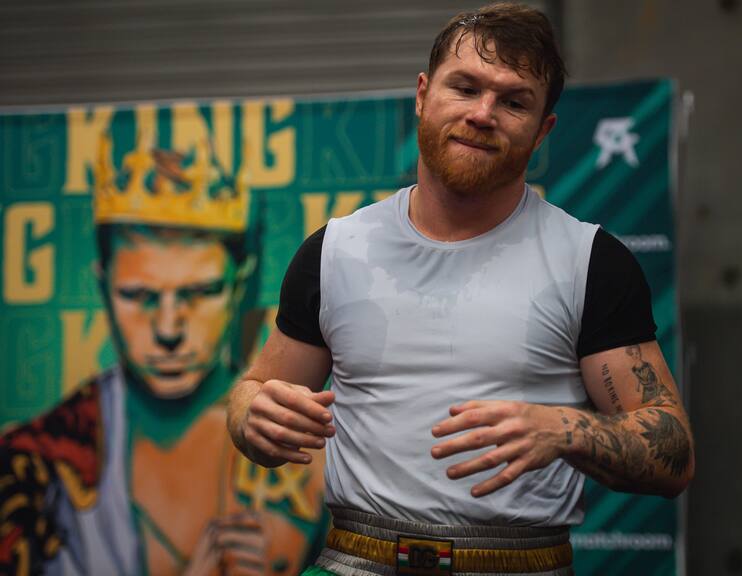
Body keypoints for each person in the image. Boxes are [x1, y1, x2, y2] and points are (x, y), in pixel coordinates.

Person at [227, 3, 695, 575]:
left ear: (544, 128)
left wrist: (566, 428)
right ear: (423, 94)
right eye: (465, 87)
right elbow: (255, 391)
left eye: (514, 101)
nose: (482, 114)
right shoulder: (335, 249)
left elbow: (673, 453)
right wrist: (251, 415)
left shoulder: (590, 261)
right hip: (353, 559)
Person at [0, 136, 327, 575]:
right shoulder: (36, 464)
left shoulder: (307, 453)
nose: (169, 329)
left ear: (240, 286)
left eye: (199, 293)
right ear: (103, 288)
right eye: (140, 296)